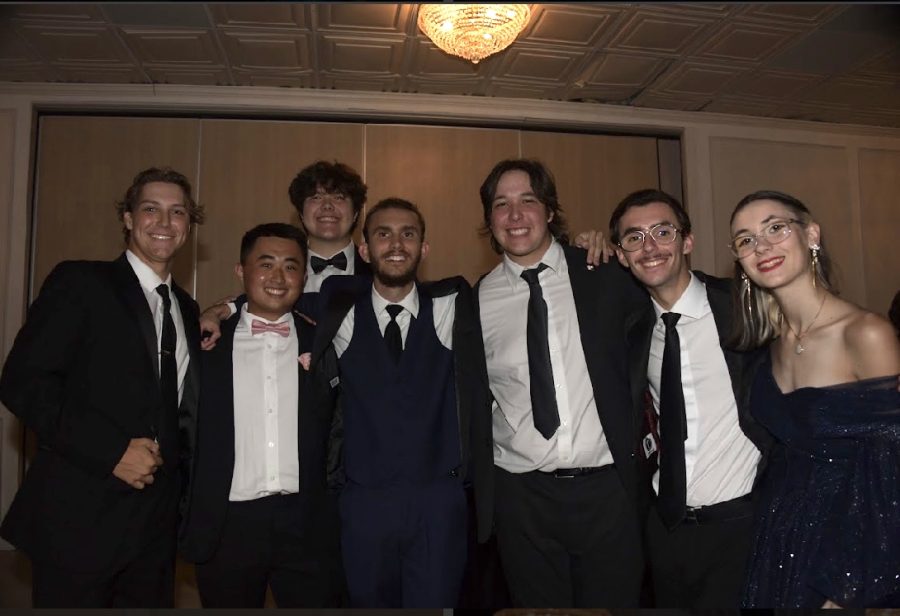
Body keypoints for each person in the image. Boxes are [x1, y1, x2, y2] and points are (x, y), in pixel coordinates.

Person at [0, 167, 204, 607]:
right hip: (80, 518)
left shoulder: (186, 309)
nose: (164, 223)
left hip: (155, 530)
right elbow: (23, 382)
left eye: (177, 212)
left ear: (188, 227)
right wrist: (112, 451)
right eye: (151, 209)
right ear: (128, 218)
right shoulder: (81, 282)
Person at [475, 158, 649, 607]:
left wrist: (616, 246)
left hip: (609, 492)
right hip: (522, 498)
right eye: (501, 204)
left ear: (550, 211)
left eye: (528, 201)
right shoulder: (474, 301)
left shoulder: (605, 272)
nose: (515, 216)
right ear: (489, 220)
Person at [309, 198, 492, 607]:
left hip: (437, 503)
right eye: (383, 234)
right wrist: (225, 308)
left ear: (424, 248)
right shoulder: (338, 309)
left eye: (408, 234)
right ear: (364, 250)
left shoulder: (452, 306)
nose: (396, 244)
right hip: (363, 501)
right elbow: (270, 297)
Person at [728, 189, 900, 608]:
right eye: (745, 239)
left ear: (812, 235)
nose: (762, 245)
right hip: (779, 535)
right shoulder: (767, 345)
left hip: (846, 546)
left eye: (775, 228)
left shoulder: (865, 332)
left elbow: (891, 473)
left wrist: (843, 583)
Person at [608, 189, 772, 608]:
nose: (650, 247)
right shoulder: (633, 330)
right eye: (634, 238)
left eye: (663, 232)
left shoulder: (746, 306)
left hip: (743, 524)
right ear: (622, 255)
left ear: (687, 241)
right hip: (667, 530)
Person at [179, 223, 341, 607]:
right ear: (241, 271)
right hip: (227, 524)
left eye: (290, 266)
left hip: (307, 523)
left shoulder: (323, 341)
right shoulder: (204, 342)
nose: (277, 277)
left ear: (303, 275)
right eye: (265, 264)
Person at [200, 160, 370, 346]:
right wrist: (221, 310)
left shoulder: (379, 274)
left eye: (339, 197)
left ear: (355, 213)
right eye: (316, 197)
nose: (327, 206)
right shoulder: (271, 278)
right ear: (300, 213)